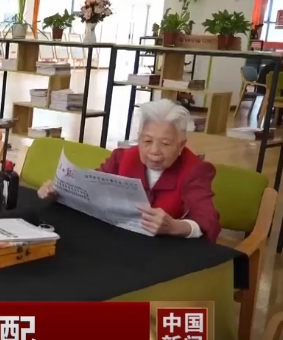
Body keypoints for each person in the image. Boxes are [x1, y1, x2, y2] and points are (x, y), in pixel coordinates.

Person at [37, 99, 220, 242]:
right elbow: (90, 188)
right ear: (138, 138)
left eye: (165, 144)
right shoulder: (122, 158)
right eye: (147, 141)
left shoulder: (195, 170)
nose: (154, 151)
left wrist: (175, 227)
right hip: (116, 242)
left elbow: (208, 220)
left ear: (181, 145)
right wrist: (58, 191)